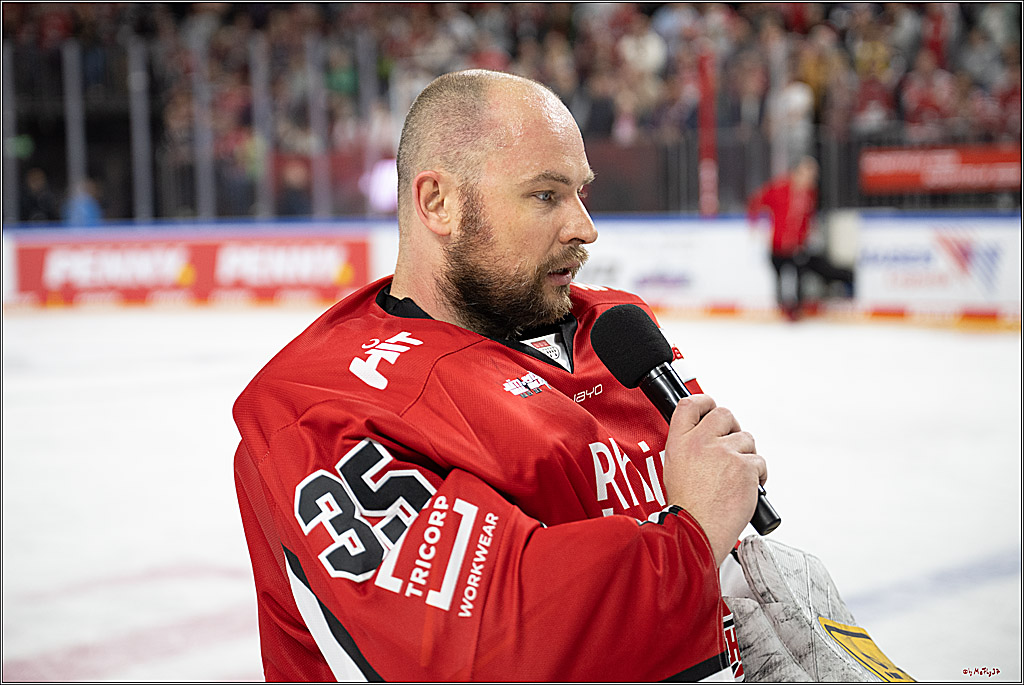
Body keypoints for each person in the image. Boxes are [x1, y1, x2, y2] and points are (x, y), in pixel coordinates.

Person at [232, 69, 768, 681]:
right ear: (438, 203)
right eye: (546, 196)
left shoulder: (617, 329)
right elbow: (492, 652)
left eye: (581, 194)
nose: (584, 228)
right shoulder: (322, 406)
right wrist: (694, 534)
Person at [746, 156, 819, 321]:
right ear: (797, 172)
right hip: (778, 244)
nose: (811, 177)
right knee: (780, 277)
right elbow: (756, 201)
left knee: (799, 276)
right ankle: (783, 307)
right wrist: (754, 224)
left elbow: (807, 218)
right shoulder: (780, 189)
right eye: (808, 172)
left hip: (797, 246)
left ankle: (795, 309)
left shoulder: (809, 193)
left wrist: (806, 236)